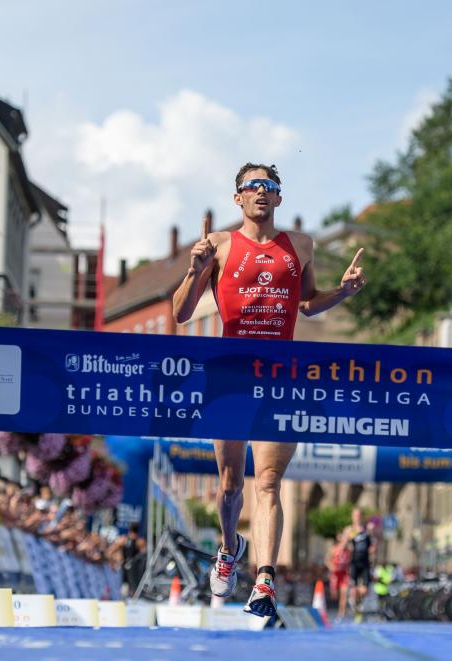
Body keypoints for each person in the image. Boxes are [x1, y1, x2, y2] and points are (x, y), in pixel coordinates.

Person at [172, 162, 367, 618]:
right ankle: (228, 546)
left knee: (270, 479)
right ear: (237, 198)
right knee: (229, 483)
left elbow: (308, 304)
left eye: (270, 186)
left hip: (281, 375)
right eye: (252, 186)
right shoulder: (218, 245)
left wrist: (342, 293)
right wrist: (194, 269)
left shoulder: (300, 245)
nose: (261, 192)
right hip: (231, 376)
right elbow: (182, 314)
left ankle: (264, 579)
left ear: (280, 198)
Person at [346, 507, 374, 616]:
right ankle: (355, 606)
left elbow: (373, 543)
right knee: (354, 590)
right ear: (352, 517)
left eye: (359, 515)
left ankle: (360, 605)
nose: (357, 518)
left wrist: (373, 548)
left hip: (365, 562)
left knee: (364, 590)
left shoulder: (367, 529)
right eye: (355, 515)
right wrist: (346, 539)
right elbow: (344, 545)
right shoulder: (350, 530)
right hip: (354, 563)